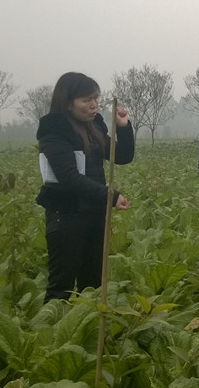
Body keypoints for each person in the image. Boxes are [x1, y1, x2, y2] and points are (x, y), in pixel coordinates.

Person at [37, 72, 135, 303]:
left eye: (96, 98)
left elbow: (121, 156)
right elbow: (69, 177)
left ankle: (86, 331)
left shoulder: (94, 127)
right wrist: (110, 196)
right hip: (66, 215)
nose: (93, 105)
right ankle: (52, 332)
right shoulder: (54, 130)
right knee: (61, 285)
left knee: (92, 283)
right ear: (68, 102)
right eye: (86, 100)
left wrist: (123, 127)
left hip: (94, 213)